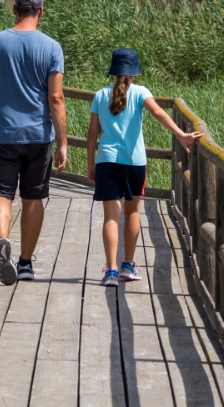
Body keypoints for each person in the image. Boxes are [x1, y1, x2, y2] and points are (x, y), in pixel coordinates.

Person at [86, 48, 202, 287]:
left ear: (114, 71)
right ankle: (128, 265)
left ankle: (111, 271)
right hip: (134, 162)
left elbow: (92, 133)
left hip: (106, 161)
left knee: (110, 217)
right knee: (132, 213)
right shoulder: (140, 92)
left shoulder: (100, 95)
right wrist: (181, 135)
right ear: (134, 72)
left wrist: (90, 162)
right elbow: (158, 112)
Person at [0, 0, 67, 285]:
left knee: (0, 192)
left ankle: (2, 240)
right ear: (41, 12)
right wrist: (63, 141)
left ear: (14, 10)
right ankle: (25, 263)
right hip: (39, 136)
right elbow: (56, 98)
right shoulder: (52, 47)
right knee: (33, 196)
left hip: (3, 133)